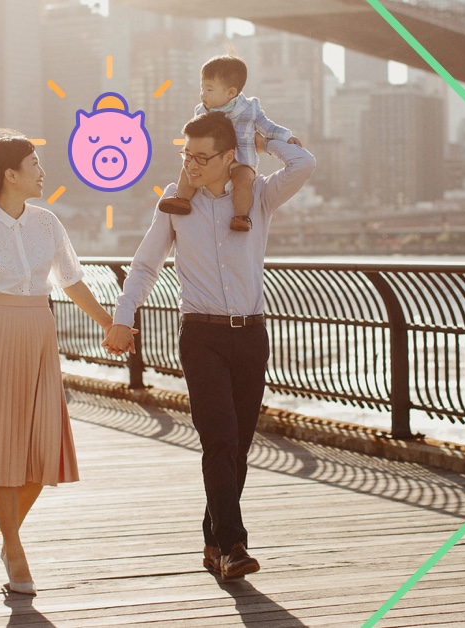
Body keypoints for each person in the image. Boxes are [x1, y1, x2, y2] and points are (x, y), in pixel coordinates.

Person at [105, 112, 316, 580]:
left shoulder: (258, 196)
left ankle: (211, 536)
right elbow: (144, 267)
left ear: (228, 157)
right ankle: (234, 546)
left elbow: (303, 164)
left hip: (251, 336)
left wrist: (266, 141)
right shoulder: (176, 204)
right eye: (187, 155)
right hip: (201, 337)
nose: (192, 166)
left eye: (203, 157)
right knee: (218, 439)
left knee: (236, 446)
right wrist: (123, 318)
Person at [0, 131, 117, 596]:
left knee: (41, 447)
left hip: (40, 333)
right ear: (10, 175)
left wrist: (108, 324)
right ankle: (14, 549)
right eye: (35, 164)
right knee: (3, 446)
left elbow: (73, 282)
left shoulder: (48, 223)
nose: (43, 172)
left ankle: (8, 527)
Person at [156, 53, 303, 232]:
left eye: (209, 89)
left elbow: (267, 126)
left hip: (242, 160)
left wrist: (286, 137)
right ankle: (182, 200)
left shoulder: (249, 109)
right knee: (188, 170)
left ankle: (240, 216)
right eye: (202, 88)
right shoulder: (202, 111)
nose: (203, 94)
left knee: (244, 182)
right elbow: (197, 136)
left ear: (231, 92)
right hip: (214, 161)